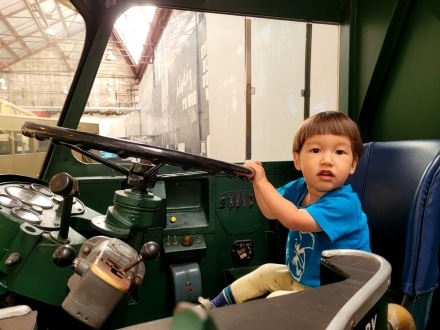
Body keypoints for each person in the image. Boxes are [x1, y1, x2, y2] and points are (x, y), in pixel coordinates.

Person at [197, 111, 371, 310]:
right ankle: (212, 308)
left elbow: (293, 219)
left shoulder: (344, 204)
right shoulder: (300, 187)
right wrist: (256, 182)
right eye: (316, 150)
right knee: (266, 272)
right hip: (306, 281)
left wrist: (263, 182)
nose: (327, 160)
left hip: (341, 294)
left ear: (353, 164)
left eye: (339, 152)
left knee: (277, 300)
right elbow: (271, 211)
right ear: (297, 160)